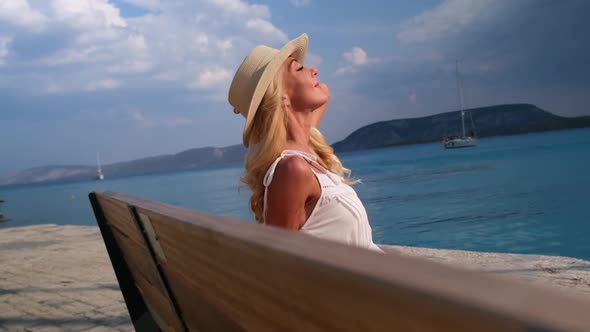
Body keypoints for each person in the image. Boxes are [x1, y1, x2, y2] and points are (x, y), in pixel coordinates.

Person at [228, 33, 382, 252]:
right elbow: (277, 263)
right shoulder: (293, 169)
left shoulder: (306, 149)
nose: (314, 70)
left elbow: (324, 92)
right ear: (281, 96)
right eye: (298, 68)